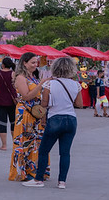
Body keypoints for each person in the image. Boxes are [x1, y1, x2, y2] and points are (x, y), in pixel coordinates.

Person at [23, 56, 83, 189]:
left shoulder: (49, 84)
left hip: (55, 118)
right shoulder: (76, 85)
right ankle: (62, 182)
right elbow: (79, 104)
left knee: (44, 150)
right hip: (71, 119)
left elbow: (44, 104)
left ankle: (38, 179)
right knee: (65, 152)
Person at [9, 52, 50, 182]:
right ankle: (23, 171)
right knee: (24, 141)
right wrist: (41, 84)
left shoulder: (33, 76)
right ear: (24, 63)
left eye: (36, 62)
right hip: (25, 114)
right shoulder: (20, 77)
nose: (35, 64)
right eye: (32, 62)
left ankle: (35, 170)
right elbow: (26, 96)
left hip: (36, 114)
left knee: (36, 142)